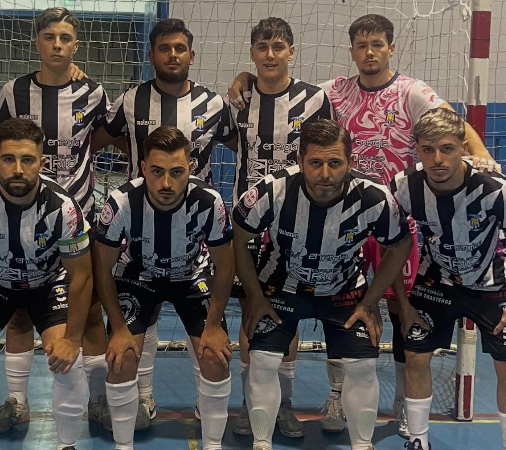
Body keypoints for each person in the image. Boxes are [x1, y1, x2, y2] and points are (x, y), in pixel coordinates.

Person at [228, 13, 500, 437]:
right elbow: (280, 85)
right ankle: (337, 396)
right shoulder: (334, 91)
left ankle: (404, 404)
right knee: (341, 304)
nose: (370, 52)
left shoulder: (411, 91)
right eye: (362, 45)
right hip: (340, 216)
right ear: (352, 51)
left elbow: (451, 121)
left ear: (391, 48)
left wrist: (479, 151)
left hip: (395, 215)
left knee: (400, 308)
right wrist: (246, 77)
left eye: (377, 44)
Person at [233, 119, 412, 450]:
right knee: (263, 360)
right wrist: (255, 297)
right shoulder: (271, 191)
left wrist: (370, 301)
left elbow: (400, 246)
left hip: (345, 289)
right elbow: (238, 239)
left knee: (363, 365)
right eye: (315, 163)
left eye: (335, 163)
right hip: (281, 287)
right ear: (300, 161)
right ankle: (262, 443)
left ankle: (363, 445)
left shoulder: (375, 198)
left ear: (351, 162)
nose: (325, 174)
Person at [92, 18, 236, 427]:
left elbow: (240, 143)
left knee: (208, 340)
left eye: (180, 48)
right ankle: (143, 398)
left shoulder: (215, 105)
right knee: (144, 317)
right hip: (141, 227)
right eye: (164, 48)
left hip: (194, 232)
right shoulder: (130, 100)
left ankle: (206, 408)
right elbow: (95, 140)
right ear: (152, 55)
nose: (173, 55)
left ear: (191, 54)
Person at [0, 7, 111, 432]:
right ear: (36, 42)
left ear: (76, 45)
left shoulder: (93, 93)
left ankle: (98, 400)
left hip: (78, 221)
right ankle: (17, 401)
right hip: (21, 221)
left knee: (89, 311)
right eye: (50, 37)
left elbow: (103, 138)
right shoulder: (13, 92)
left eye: (65, 38)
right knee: (20, 311)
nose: (57, 45)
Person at [0, 117, 92, 450]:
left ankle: (67, 445)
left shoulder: (64, 207)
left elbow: (82, 276)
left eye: (27, 160)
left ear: (42, 162)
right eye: (9, 159)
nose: (18, 169)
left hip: (48, 283)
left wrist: (72, 340)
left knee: (68, 363)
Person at [390, 108, 506, 450]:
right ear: (417, 150)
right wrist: (403, 303)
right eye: (427, 150)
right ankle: (418, 440)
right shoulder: (404, 186)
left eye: (447, 149)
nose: (437, 159)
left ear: (463, 148)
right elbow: (393, 246)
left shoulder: (495, 188)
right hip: (436, 282)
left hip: (493, 285)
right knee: (415, 357)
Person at [94, 126, 234, 450]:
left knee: (215, 357)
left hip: (191, 274)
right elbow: (101, 269)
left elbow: (226, 266)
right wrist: (118, 328)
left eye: (176, 172)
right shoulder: (121, 202)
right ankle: (123, 446)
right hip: (139, 274)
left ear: (191, 168)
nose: (166, 183)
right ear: (143, 168)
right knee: (121, 358)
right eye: (157, 171)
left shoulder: (209, 202)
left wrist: (214, 325)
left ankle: (213, 444)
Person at [225, 17, 333, 438]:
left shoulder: (314, 99)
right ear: (252, 53)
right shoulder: (238, 99)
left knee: (287, 315)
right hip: (248, 226)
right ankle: (250, 404)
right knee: (251, 312)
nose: (270, 54)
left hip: (297, 224)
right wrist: (241, 79)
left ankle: (283, 405)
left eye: (278, 47)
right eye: (262, 47)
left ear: (291, 51)